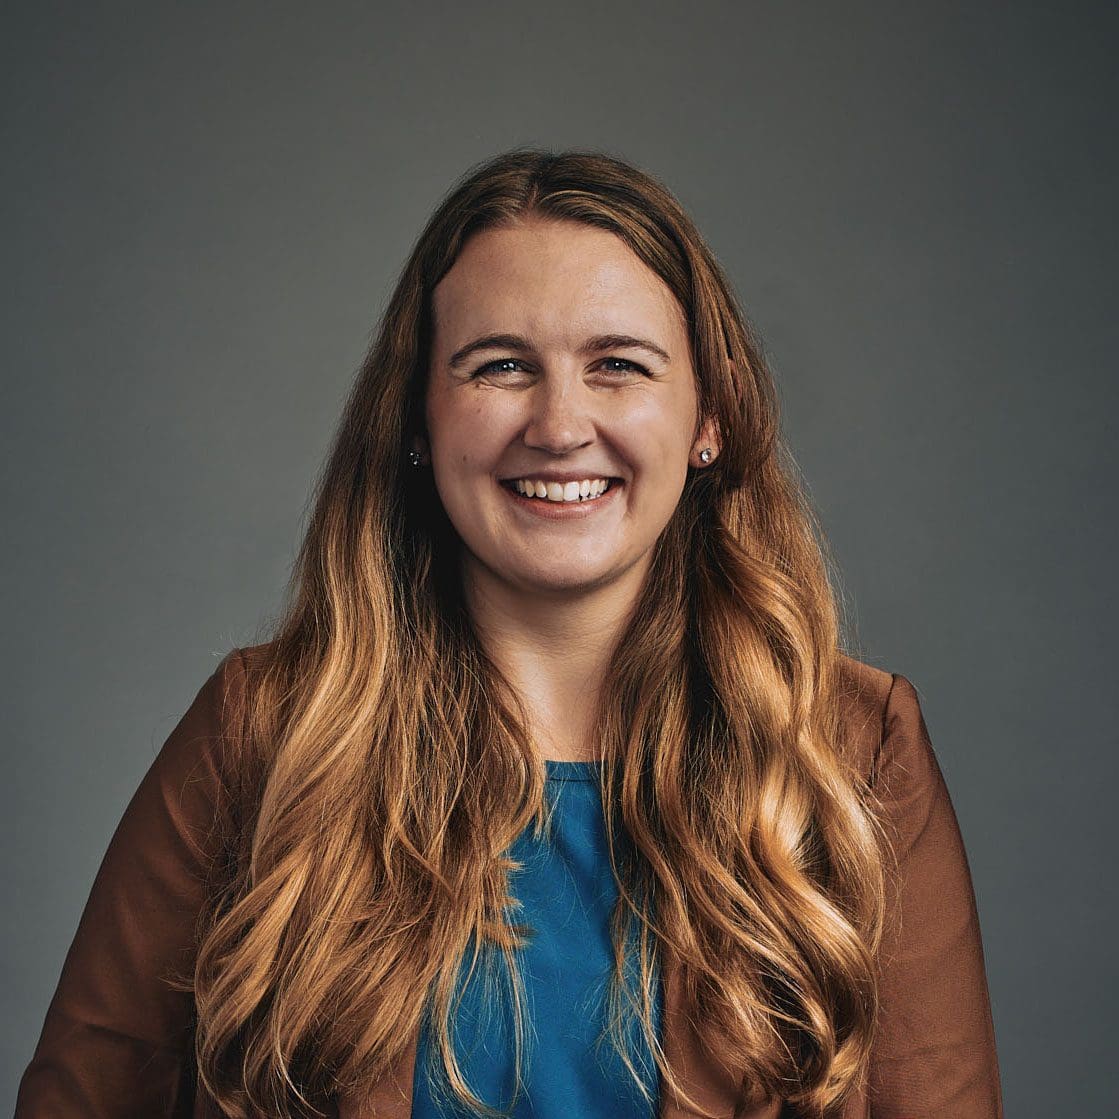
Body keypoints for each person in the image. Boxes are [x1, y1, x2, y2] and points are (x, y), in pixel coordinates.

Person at [15, 149, 1004, 1119]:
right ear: (418, 418)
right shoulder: (261, 739)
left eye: (618, 366)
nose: (559, 424)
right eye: (500, 367)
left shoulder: (853, 751)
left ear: (708, 416)